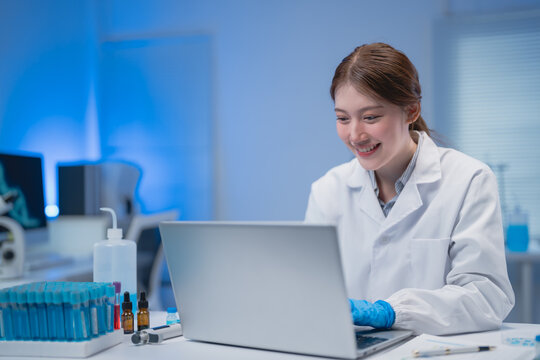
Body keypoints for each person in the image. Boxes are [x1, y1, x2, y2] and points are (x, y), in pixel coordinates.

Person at [304, 42, 514, 335]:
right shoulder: (328, 190)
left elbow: (486, 297)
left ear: (411, 111)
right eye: (342, 118)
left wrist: (393, 312)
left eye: (371, 117)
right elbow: (310, 292)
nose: (354, 134)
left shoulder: (468, 179)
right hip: (351, 349)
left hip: (434, 350)